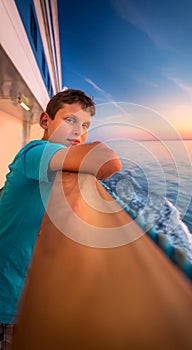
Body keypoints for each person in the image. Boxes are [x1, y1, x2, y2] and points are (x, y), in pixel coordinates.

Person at [0, 89, 121, 349]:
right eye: (70, 120)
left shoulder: (57, 163)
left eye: (86, 125)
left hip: (24, 291)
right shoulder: (36, 151)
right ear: (45, 121)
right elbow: (109, 161)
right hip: (7, 300)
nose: (79, 131)